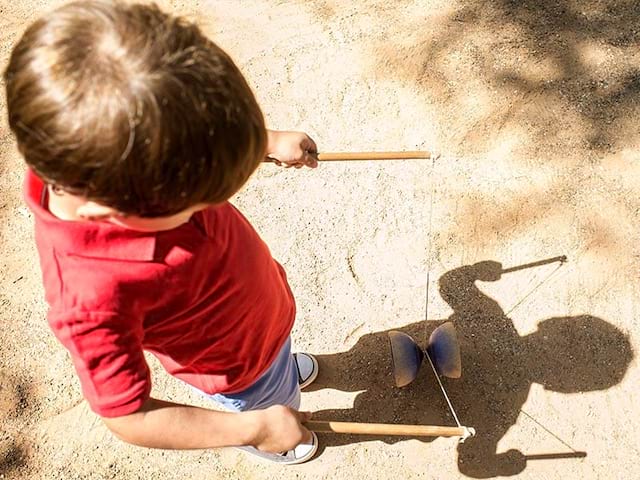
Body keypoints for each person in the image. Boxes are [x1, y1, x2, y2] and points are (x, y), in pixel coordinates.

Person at [4, 0, 322, 465]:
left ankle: (281, 372)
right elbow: (128, 415)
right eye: (196, 200)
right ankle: (274, 415)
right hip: (237, 366)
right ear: (107, 207)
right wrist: (252, 427)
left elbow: (186, 134)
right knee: (274, 403)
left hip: (261, 314)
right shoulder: (89, 300)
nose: (212, 203)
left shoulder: (101, 149)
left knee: (279, 362)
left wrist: (258, 142)